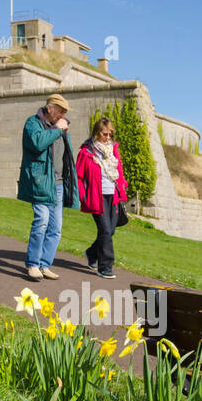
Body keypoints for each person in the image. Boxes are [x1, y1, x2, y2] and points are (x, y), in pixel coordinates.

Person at [17, 93, 74, 280]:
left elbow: (67, 155)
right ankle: (33, 264)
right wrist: (57, 130)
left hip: (57, 184)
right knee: (41, 222)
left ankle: (44, 264)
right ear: (50, 109)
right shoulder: (32, 123)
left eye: (65, 113)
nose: (63, 116)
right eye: (61, 111)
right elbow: (37, 143)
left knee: (55, 228)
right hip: (41, 182)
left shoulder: (61, 127)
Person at [75, 116, 128, 279]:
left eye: (110, 134)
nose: (108, 138)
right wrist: (82, 197)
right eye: (105, 134)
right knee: (105, 230)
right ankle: (105, 267)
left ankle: (91, 254)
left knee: (110, 231)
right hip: (96, 196)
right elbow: (79, 176)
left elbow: (118, 171)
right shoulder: (86, 152)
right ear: (97, 133)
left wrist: (122, 186)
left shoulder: (114, 151)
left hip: (113, 195)